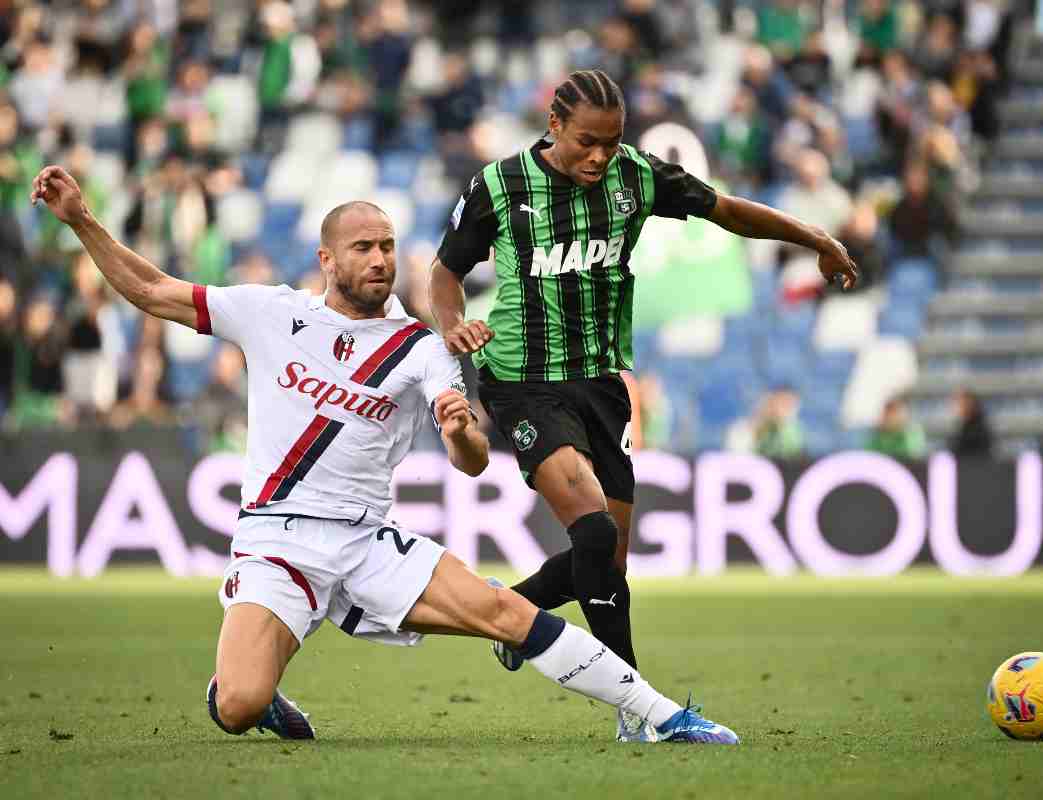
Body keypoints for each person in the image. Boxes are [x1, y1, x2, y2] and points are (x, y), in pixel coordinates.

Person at [31, 164, 738, 746]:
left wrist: (459, 427)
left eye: (389, 247)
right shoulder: (271, 312)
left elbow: (468, 462)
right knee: (239, 707)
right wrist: (82, 220)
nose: (379, 259)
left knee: (502, 613)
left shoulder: (420, 346)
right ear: (328, 259)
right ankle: (254, 689)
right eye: (364, 247)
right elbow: (154, 292)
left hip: (369, 542)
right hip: (277, 542)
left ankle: (659, 714)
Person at [427, 68, 857, 741]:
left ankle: (513, 610)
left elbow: (726, 209)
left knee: (607, 563)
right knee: (593, 533)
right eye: (587, 142)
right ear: (554, 127)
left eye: (612, 141)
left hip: (601, 381)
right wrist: (453, 324)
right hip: (522, 380)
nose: (600, 155)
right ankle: (639, 709)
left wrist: (816, 239)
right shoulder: (501, 185)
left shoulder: (637, 176)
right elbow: (445, 272)